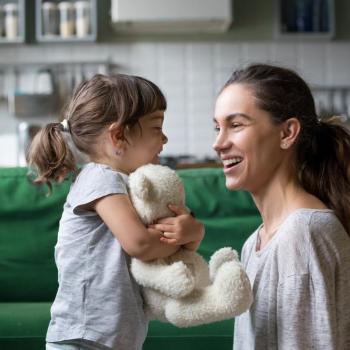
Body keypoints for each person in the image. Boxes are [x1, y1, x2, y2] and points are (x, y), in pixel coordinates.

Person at [28, 73, 204, 350]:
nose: (165, 138)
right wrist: (184, 235)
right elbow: (141, 244)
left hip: (114, 337)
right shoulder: (99, 177)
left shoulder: (132, 185)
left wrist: (192, 230)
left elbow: (168, 245)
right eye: (157, 127)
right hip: (83, 336)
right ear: (119, 135)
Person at [212, 63, 350, 350]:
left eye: (236, 125)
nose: (219, 143)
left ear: (287, 133)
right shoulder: (256, 242)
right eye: (217, 127)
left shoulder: (304, 233)